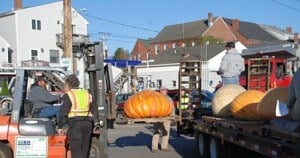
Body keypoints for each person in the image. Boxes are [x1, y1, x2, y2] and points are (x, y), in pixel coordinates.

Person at [57, 74, 94, 158]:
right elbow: (92, 107)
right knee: (85, 148)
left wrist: (60, 126)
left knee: (76, 149)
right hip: (87, 123)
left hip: (75, 124)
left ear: (68, 84)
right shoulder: (86, 93)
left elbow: (63, 112)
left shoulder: (69, 94)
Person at [151, 86, 174, 153]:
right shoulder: (156, 98)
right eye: (163, 90)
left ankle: (164, 147)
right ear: (160, 91)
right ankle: (154, 147)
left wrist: (172, 117)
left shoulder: (169, 99)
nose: (164, 91)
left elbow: (172, 108)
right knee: (156, 132)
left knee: (166, 132)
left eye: (165, 90)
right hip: (157, 118)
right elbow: (152, 107)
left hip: (167, 118)